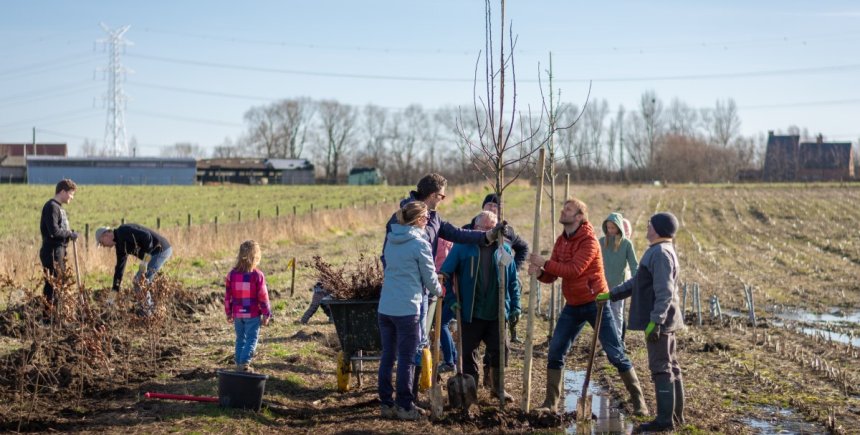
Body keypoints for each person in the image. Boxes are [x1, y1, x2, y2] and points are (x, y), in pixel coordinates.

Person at [381, 174, 500, 400]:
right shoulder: (402, 220)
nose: (443, 200)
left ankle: (403, 397)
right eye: (442, 196)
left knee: (413, 346)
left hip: (416, 292)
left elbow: (457, 233)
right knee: (410, 348)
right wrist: (415, 282)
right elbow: (387, 256)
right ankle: (404, 400)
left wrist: (486, 236)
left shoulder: (432, 218)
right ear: (433, 195)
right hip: (411, 294)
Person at [528, 198, 648, 416]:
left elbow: (574, 270)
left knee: (615, 353)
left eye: (568, 209)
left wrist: (544, 262)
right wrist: (540, 273)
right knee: (555, 350)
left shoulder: (590, 241)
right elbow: (554, 275)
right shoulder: (561, 241)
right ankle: (550, 403)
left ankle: (639, 402)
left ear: (579, 217)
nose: (563, 211)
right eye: (564, 208)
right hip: (573, 304)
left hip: (597, 303)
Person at [598, 212, 684, 431]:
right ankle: (675, 416)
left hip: (661, 321)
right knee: (671, 366)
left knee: (661, 368)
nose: (646, 228)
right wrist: (612, 294)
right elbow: (638, 281)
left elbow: (664, 291)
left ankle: (665, 421)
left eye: (649, 225)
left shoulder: (661, 253)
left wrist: (656, 321)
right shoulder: (659, 250)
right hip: (665, 319)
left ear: (657, 229)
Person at [440, 211, 521, 402]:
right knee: (468, 353)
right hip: (470, 312)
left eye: (491, 228)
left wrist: (516, 305)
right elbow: (445, 273)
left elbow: (513, 282)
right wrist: (451, 300)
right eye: (483, 228)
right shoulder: (463, 247)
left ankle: (498, 389)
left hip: (497, 313)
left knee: (501, 350)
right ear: (475, 229)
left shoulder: (504, 250)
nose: (488, 232)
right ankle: (471, 391)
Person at [377, 201, 443, 420]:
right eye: (426, 219)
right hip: (408, 308)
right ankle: (405, 406)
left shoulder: (391, 239)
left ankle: (386, 404)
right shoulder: (420, 244)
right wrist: (439, 290)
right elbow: (429, 276)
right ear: (419, 220)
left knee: (388, 355)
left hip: (386, 307)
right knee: (405, 358)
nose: (428, 223)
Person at [464, 193, 529, 344]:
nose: (492, 207)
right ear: (483, 207)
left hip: (501, 275)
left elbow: (523, 248)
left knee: (513, 293)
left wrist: (514, 268)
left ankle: (511, 328)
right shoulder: (470, 227)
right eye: (489, 205)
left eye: (496, 206)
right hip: (478, 276)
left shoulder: (507, 231)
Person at [95, 223, 172, 311]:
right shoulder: (120, 246)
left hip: (161, 250)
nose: (103, 246)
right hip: (153, 254)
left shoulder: (123, 231)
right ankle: (149, 309)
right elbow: (119, 272)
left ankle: (148, 311)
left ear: (105, 235)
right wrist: (111, 297)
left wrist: (145, 261)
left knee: (139, 281)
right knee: (139, 281)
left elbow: (147, 236)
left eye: (101, 243)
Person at [224, 240, 271, 372]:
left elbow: (228, 296)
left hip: (238, 314)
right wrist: (267, 313)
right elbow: (263, 296)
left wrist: (228, 312)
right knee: (251, 339)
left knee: (240, 339)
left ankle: (238, 362)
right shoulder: (257, 275)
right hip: (252, 314)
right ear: (256, 257)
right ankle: (244, 363)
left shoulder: (231, 274)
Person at [599, 212, 638, 344]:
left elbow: (633, 264)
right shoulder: (601, 242)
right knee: (602, 315)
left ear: (619, 228)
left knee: (617, 314)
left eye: (613, 228)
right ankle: (604, 343)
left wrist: (637, 281)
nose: (610, 230)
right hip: (602, 285)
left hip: (618, 285)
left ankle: (617, 343)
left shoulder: (627, 244)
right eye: (608, 227)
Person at [39, 179, 78, 308]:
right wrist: (69, 234)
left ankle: (56, 316)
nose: (72, 197)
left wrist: (68, 234)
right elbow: (54, 231)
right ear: (62, 191)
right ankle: (47, 317)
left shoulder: (59, 208)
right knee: (52, 284)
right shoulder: (51, 207)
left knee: (58, 284)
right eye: (71, 193)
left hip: (59, 251)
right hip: (52, 252)